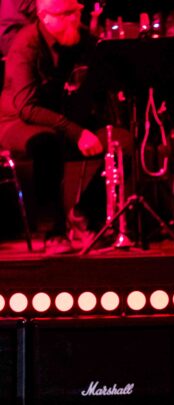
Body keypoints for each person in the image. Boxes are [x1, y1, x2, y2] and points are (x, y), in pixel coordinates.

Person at [0, 0, 116, 253]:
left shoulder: (83, 39)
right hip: (18, 121)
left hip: (64, 118)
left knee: (120, 141)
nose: (74, 18)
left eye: (76, 11)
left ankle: (84, 215)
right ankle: (53, 232)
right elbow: (27, 108)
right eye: (65, 13)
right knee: (46, 143)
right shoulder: (26, 44)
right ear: (44, 17)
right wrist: (76, 131)